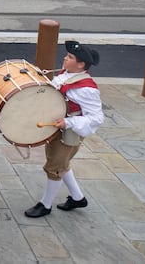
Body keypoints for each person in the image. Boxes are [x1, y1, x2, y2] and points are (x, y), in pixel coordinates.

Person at [25, 41, 103, 219]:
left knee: (54, 167)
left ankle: (45, 205)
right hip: (57, 128)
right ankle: (78, 198)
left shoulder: (86, 89)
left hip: (69, 132)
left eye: (70, 57)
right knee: (61, 164)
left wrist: (68, 123)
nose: (65, 58)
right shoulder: (65, 74)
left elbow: (96, 118)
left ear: (81, 64)